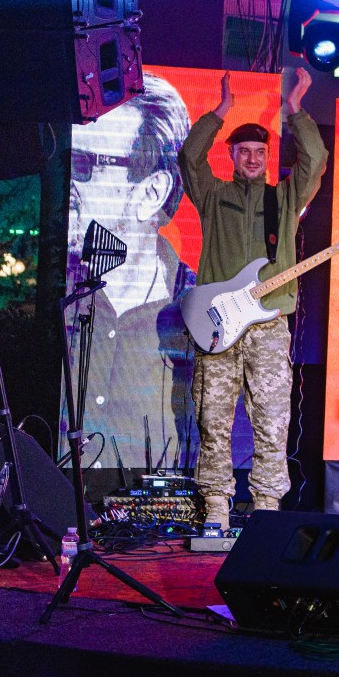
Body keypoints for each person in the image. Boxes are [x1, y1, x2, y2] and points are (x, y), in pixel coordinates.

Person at [179, 67, 326, 531]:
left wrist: (295, 109)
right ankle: (216, 506)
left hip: (267, 326)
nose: (252, 158)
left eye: (260, 152)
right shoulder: (213, 195)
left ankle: (266, 509)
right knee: (213, 420)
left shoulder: (284, 200)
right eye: (243, 151)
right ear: (232, 155)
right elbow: (189, 156)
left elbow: (315, 160)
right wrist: (221, 111)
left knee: (272, 421)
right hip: (218, 325)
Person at [68, 72, 196, 469]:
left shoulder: (194, 310)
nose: (68, 182)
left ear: (151, 193)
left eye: (84, 165)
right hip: (51, 502)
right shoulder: (52, 296)